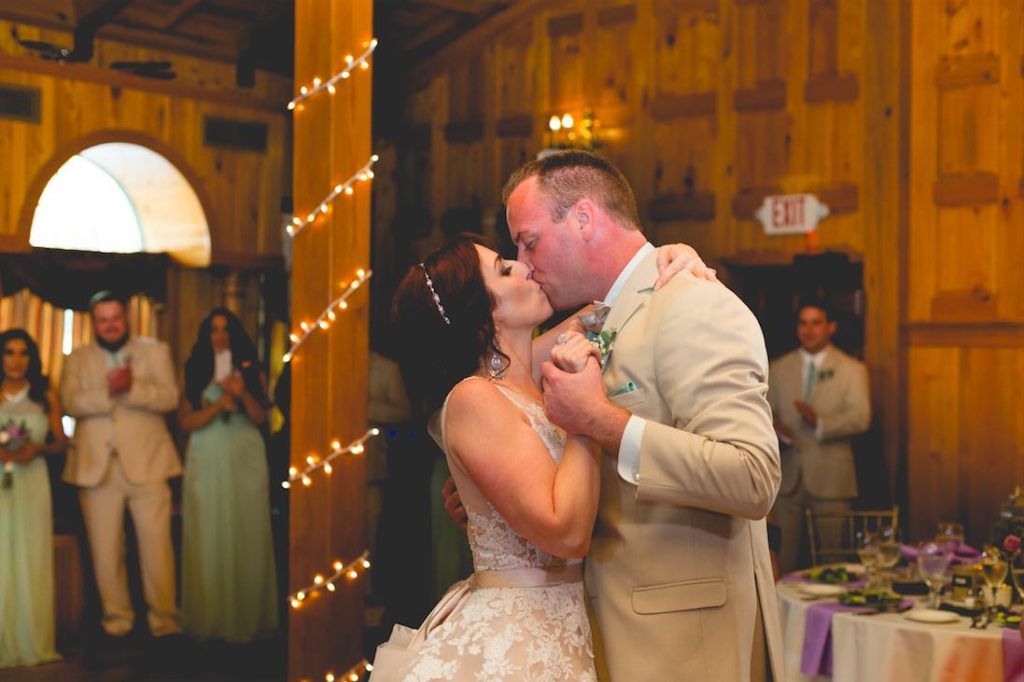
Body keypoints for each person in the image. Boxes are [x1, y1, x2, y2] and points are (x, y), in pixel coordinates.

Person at [499, 150, 784, 681]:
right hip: (607, 633)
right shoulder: (597, 317)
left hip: (684, 648)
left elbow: (753, 476)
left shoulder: (692, 304)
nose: (523, 261)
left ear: (583, 217)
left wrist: (601, 421)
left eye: (529, 240)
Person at [384, 234, 706, 681]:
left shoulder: (525, 374)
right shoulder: (474, 397)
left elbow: (611, 306)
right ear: (482, 320)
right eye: (503, 268)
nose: (523, 266)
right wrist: (584, 415)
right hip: (517, 638)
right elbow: (567, 534)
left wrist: (669, 258)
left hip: (570, 624)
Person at [60, 291, 182, 648]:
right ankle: (117, 623)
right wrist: (109, 392)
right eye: (103, 319)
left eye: (116, 318)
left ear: (126, 318)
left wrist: (132, 388)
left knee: (158, 548)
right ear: (93, 322)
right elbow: (70, 402)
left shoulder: (155, 351)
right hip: (96, 467)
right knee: (105, 550)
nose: (110, 325)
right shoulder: (77, 358)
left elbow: (169, 398)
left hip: (148, 463)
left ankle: (165, 622)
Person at [178, 308, 278, 642]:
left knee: (246, 528)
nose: (220, 336)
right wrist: (220, 403)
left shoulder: (251, 369)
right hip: (207, 455)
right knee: (208, 529)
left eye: (225, 330)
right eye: (213, 330)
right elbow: (186, 422)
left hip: (245, 454)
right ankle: (209, 619)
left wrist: (241, 391)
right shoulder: (194, 371)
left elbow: (261, 416)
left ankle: (247, 620)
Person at [768, 299, 871, 574]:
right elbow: (764, 411)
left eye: (816, 323)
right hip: (787, 479)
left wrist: (821, 423)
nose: (808, 330)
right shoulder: (777, 368)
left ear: (831, 327)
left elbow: (861, 418)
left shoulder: (852, 369)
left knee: (834, 565)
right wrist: (775, 427)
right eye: (803, 323)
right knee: (782, 561)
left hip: (832, 478)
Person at [0, 329, 67, 668]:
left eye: (23, 353)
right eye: (9, 352)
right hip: (1, 483)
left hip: (33, 480)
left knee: (32, 555)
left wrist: (35, 448)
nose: (16, 360)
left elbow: (60, 443)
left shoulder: (45, 394)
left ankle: (32, 638)